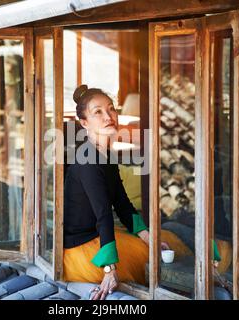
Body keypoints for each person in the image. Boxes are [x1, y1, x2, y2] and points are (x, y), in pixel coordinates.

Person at [62, 85, 194, 300]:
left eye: (111, 109)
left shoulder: (106, 155)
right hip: (82, 249)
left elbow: (122, 203)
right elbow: (103, 214)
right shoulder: (87, 159)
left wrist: (146, 236)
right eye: (98, 112)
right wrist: (109, 269)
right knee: (148, 260)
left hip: (98, 236)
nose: (108, 116)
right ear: (84, 123)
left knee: (162, 243)